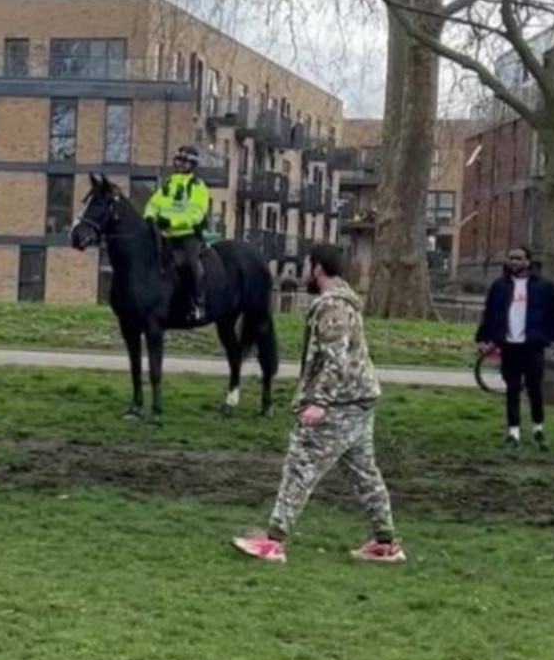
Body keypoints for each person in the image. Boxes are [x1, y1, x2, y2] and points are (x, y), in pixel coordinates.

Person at [232, 243, 404, 564]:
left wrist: (320, 402)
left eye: (307, 265)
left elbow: (334, 358)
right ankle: (386, 543)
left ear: (318, 268)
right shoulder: (345, 301)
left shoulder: (332, 307)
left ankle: (273, 542)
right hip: (359, 400)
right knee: (364, 474)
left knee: (300, 466)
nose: (305, 272)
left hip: (339, 404)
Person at [474, 245, 554, 451]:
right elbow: (490, 313)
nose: (513, 262)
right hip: (509, 346)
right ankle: (513, 432)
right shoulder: (500, 286)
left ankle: (538, 429)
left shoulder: (543, 286)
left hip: (532, 345)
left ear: (528, 261)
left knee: (535, 389)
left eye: (518, 258)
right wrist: (483, 338)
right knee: (512, 389)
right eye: (510, 258)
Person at [144, 145, 210, 321]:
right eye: (178, 160)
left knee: (190, 264)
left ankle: (199, 304)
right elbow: (154, 203)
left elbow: (196, 214)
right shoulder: (168, 183)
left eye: (184, 161)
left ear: (193, 165)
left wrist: (172, 222)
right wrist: (150, 216)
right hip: (165, 235)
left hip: (187, 235)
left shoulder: (197, 186)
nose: (180, 164)